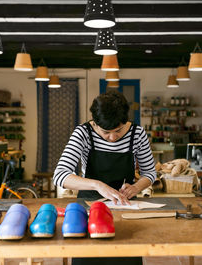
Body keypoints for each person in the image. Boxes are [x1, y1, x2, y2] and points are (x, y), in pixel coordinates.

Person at [53, 91, 156, 265]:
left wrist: (136, 187)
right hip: (90, 207)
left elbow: (150, 173)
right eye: (106, 132)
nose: (113, 137)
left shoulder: (137, 133)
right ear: (95, 123)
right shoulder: (83, 133)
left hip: (125, 206)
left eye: (118, 130)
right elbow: (60, 175)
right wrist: (98, 185)